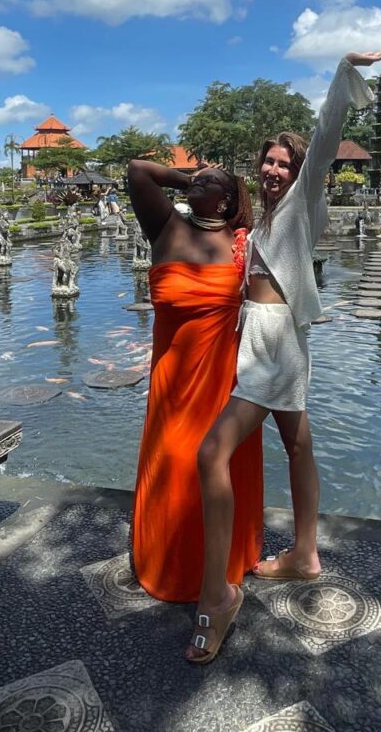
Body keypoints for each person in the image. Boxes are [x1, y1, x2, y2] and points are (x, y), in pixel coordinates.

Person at [186, 45, 381, 664]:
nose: (274, 170)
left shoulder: (301, 203)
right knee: (298, 446)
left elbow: (325, 137)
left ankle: (217, 595)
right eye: (268, 162)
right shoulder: (264, 221)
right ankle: (304, 553)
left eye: (284, 163)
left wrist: (343, 70)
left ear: (298, 171)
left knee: (211, 453)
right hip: (270, 339)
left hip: (274, 344)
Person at [127, 158, 263, 603]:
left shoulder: (242, 242)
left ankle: (222, 568)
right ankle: (168, 564)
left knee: (218, 467)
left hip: (223, 383)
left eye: (212, 180)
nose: (200, 178)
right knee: (173, 465)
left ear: (226, 200)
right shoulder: (166, 227)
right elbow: (138, 171)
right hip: (173, 383)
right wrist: (191, 179)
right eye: (197, 176)